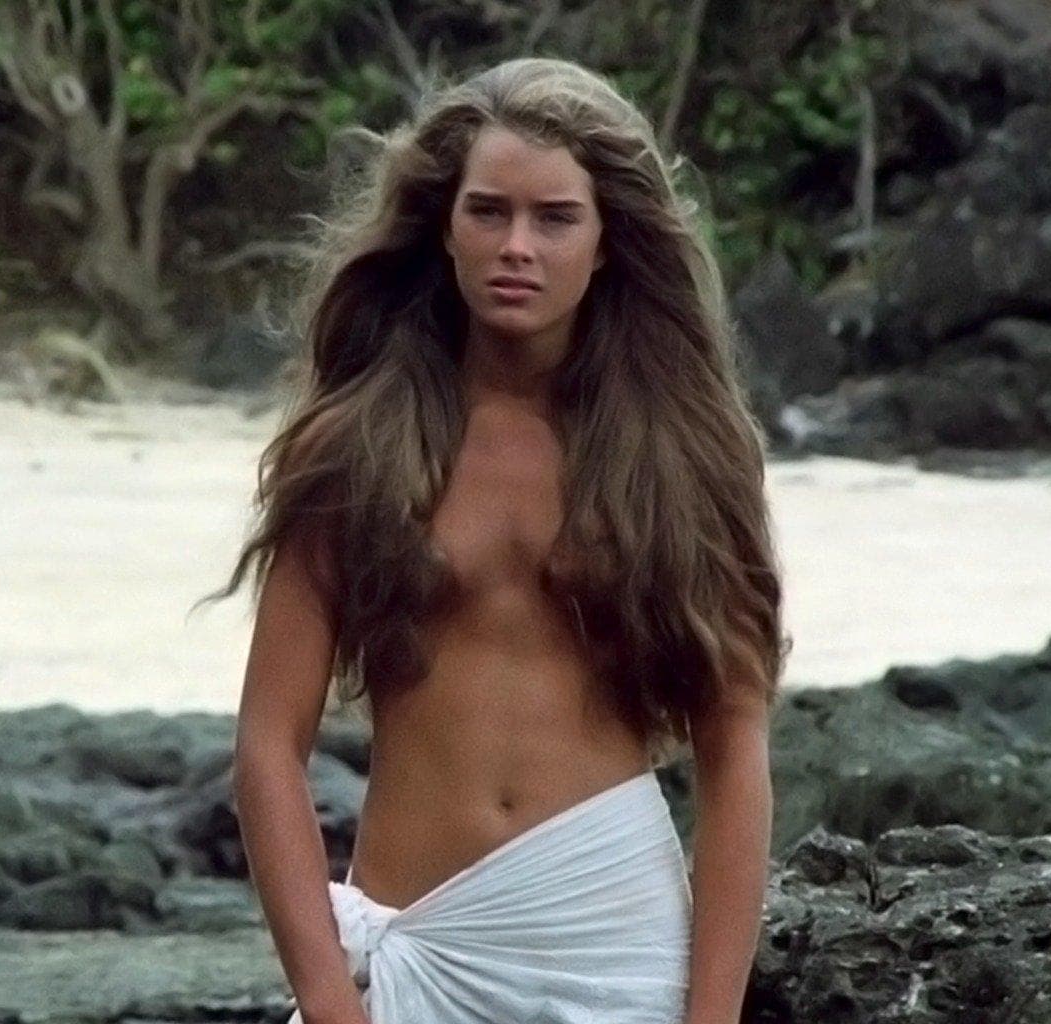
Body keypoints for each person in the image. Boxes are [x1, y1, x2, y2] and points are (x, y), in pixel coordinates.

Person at [204, 57, 787, 1024]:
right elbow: (268, 744)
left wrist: (712, 1016)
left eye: (555, 218)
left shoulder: (683, 456)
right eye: (488, 212)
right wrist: (327, 998)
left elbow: (734, 745)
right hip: (416, 947)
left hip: (613, 950)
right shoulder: (357, 447)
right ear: (445, 225)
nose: (518, 246)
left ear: (606, 241)